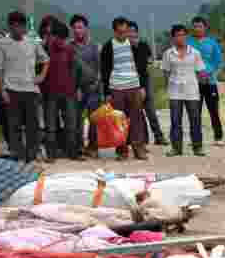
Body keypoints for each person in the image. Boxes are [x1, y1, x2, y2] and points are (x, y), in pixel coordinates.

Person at [0, 11, 49, 164]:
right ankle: (18, 155)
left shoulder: (32, 43)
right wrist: (2, 90)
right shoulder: (1, 44)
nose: (17, 30)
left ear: (24, 27)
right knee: (14, 125)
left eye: (20, 26)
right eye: (14, 26)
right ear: (10, 27)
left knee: (33, 125)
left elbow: (46, 60)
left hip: (30, 90)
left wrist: (42, 76)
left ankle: (31, 156)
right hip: (11, 90)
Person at [100, 16, 150, 161]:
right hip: (116, 87)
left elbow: (142, 68)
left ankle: (139, 148)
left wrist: (142, 87)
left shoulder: (135, 45)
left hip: (134, 86)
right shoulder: (108, 46)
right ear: (114, 32)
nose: (123, 34)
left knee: (137, 118)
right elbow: (104, 70)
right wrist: (107, 92)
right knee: (118, 120)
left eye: (125, 31)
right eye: (120, 32)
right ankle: (122, 150)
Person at [162, 23, 207, 157]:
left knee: (195, 120)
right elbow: (165, 72)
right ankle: (176, 148)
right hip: (174, 91)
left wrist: (203, 80)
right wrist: (169, 85)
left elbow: (201, 71)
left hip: (192, 91)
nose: (180, 38)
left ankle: (197, 147)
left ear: (186, 36)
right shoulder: (168, 54)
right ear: (173, 38)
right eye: (177, 35)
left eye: (183, 35)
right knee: (175, 120)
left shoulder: (195, 53)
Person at [41, 21, 83, 160]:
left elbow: (74, 70)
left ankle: (72, 153)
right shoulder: (45, 49)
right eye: (58, 37)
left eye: (63, 38)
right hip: (52, 93)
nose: (61, 41)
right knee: (52, 125)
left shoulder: (69, 49)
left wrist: (76, 88)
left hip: (68, 93)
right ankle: (52, 154)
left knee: (70, 124)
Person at [186, 16, 225, 146]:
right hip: (193, 82)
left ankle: (218, 137)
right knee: (194, 112)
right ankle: (196, 138)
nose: (197, 29)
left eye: (199, 26)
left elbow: (218, 61)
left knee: (213, 110)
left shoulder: (212, 43)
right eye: (195, 26)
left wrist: (210, 72)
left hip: (210, 81)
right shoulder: (188, 42)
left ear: (205, 27)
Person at [127, 21, 167, 146]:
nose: (131, 34)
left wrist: (143, 87)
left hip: (145, 82)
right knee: (134, 112)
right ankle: (139, 139)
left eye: (133, 31)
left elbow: (148, 66)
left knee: (150, 111)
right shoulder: (124, 49)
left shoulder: (144, 46)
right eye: (128, 31)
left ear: (137, 32)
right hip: (130, 83)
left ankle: (159, 136)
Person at [70, 14, 103, 158]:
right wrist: (75, 88)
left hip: (94, 88)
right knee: (77, 119)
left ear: (86, 29)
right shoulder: (70, 47)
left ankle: (93, 146)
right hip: (77, 89)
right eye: (75, 28)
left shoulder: (95, 47)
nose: (78, 30)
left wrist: (97, 82)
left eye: (80, 27)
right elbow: (70, 70)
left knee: (94, 119)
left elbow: (100, 67)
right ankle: (79, 146)